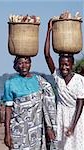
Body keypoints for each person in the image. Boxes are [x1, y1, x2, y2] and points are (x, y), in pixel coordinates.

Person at [44, 19, 84, 150]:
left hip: (76, 118)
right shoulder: (58, 77)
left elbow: (80, 104)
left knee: (76, 146)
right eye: (61, 64)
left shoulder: (79, 79)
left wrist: (73, 125)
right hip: (61, 116)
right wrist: (49, 31)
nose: (63, 67)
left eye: (67, 64)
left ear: (72, 65)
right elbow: (47, 55)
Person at [3, 56, 57, 150]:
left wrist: (49, 127)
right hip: (17, 129)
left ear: (30, 64)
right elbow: (8, 109)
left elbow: (48, 101)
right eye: (20, 63)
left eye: (27, 63)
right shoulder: (10, 83)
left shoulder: (39, 81)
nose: (24, 66)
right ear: (16, 65)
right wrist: (7, 133)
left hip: (36, 130)